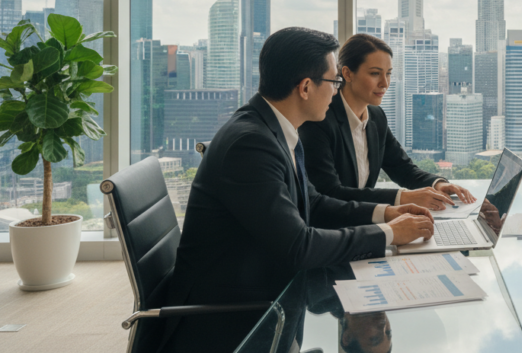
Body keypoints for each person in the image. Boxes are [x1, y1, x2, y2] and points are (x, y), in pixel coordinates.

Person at [162, 27, 435, 353]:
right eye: (334, 82)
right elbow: (299, 245)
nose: (337, 92)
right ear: (305, 87)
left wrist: (387, 213)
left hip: (268, 294)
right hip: (235, 320)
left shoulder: (276, 130)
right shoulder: (250, 144)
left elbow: (314, 203)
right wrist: (388, 233)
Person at [299, 33, 476, 212]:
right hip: (334, 230)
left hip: (364, 223)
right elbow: (330, 193)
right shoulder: (319, 120)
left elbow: (401, 167)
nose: (385, 83)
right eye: (375, 73)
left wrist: (437, 184)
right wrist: (402, 198)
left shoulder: (376, 117)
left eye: (388, 74)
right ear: (347, 73)